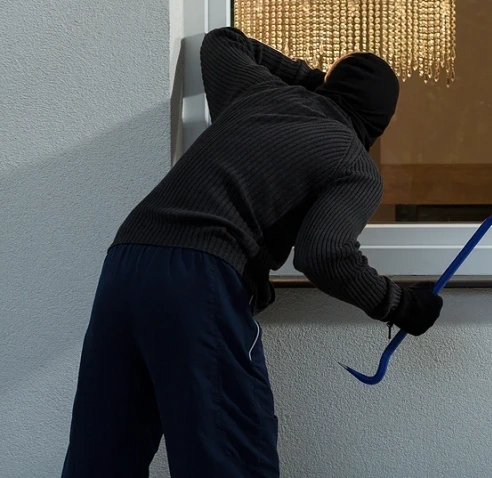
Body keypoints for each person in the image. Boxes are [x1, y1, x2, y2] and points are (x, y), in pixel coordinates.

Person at [61, 27, 444, 478]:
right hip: (199, 278)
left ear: (330, 86)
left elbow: (222, 42)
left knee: (104, 455)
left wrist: (308, 79)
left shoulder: (256, 93)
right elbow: (324, 256)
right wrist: (399, 304)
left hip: (126, 261)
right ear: (377, 126)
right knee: (231, 457)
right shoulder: (352, 163)